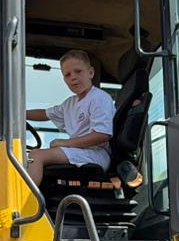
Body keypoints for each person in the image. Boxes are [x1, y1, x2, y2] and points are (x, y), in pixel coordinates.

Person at [25, 49, 114, 186]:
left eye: (78, 71)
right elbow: (44, 114)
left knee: (36, 156)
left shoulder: (99, 98)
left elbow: (102, 135)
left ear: (91, 72)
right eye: (67, 75)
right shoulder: (70, 103)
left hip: (96, 154)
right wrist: (18, 114)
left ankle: (26, 204)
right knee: (30, 156)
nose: (73, 77)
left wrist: (64, 143)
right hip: (80, 152)